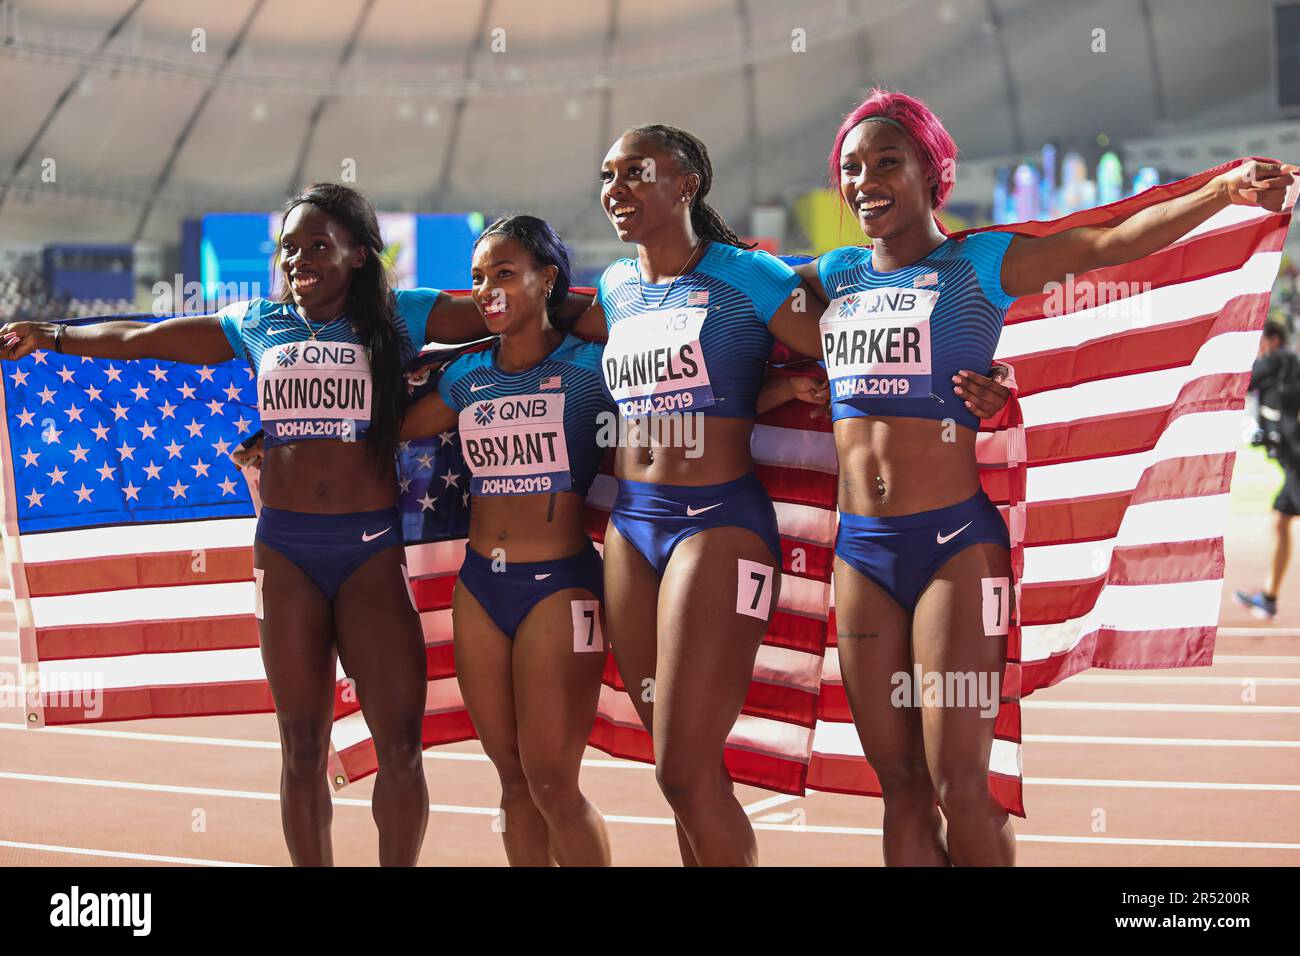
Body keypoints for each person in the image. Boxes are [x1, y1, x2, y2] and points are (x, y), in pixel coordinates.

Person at [789, 88, 1297, 866]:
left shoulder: (982, 263)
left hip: (953, 551)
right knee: (899, 786)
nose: (864, 181)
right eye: (851, 168)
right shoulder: (835, 275)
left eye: (886, 162)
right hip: (862, 556)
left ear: (933, 170)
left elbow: (1107, 244)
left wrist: (1220, 190)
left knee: (961, 781)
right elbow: (727, 301)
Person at [0, 182, 535, 866]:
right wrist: (56, 336)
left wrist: (622, 304)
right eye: (290, 247)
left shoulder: (401, 317)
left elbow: (508, 310)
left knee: (400, 746)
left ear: (361, 256)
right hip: (286, 554)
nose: (300, 258)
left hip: (370, 551)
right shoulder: (257, 322)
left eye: (319, 245)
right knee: (302, 744)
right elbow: (143, 339)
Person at [571, 124, 1013, 866]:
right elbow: (531, 328)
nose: (616, 189)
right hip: (631, 527)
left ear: (687, 184)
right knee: (678, 773)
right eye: (608, 175)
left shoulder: (751, 274)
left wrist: (995, 377)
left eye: (636, 173)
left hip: (717, 524)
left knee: (684, 766)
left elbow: (872, 332)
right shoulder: (615, 287)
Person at [398, 215, 616, 865]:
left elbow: (691, 401)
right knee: (514, 782)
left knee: (552, 779)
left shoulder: (592, 367)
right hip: (480, 589)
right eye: (477, 279)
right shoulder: (466, 376)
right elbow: (388, 430)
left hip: (562, 586)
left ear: (546, 278)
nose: (487, 290)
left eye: (504, 274)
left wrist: (781, 390)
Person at [1235, 319, 1300, 619]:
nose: (1256, 351)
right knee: (1281, 520)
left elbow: (1239, 382)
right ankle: (1269, 598)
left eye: (1258, 342)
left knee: (1281, 520)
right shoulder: (1287, 368)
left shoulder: (1278, 359)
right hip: (1293, 464)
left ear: (1272, 340)